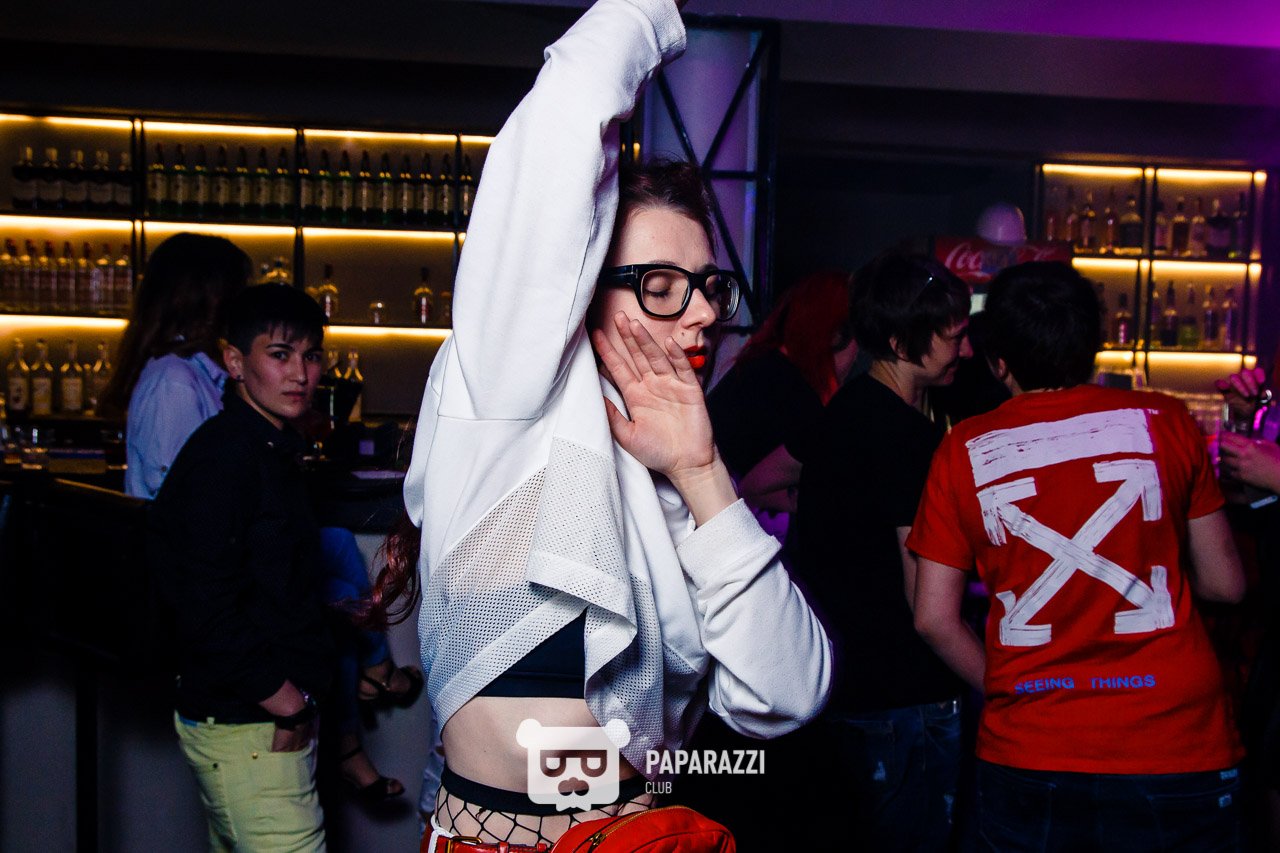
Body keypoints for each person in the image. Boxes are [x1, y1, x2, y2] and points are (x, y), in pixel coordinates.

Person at [385, 0, 833, 846]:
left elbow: (789, 693)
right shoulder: (506, 398)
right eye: (660, 286)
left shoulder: (676, 464)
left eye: (710, 286)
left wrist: (702, 475)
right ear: (577, 288)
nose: (704, 313)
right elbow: (568, 107)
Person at [910, 261, 1246, 850]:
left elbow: (932, 619)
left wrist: (1017, 687)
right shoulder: (1165, 420)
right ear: (1093, 345)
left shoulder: (963, 448)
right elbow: (1226, 585)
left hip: (1032, 744)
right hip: (1174, 739)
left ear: (999, 362)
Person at [784, 250, 971, 849]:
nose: (965, 351)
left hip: (843, 683)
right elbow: (928, 610)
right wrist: (1000, 685)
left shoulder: (848, 408)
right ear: (899, 340)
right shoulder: (905, 436)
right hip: (901, 696)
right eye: (953, 338)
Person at [149, 284, 334, 852]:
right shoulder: (225, 456)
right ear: (234, 362)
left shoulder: (266, 448)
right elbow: (200, 601)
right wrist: (287, 704)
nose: (300, 374)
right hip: (247, 723)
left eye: (310, 356)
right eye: (280, 355)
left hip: (255, 718)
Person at [706, 269, 858, 515]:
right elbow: (753, 488)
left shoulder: (765, 367)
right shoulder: (792, 392)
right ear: (836, 335)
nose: (857, 353)